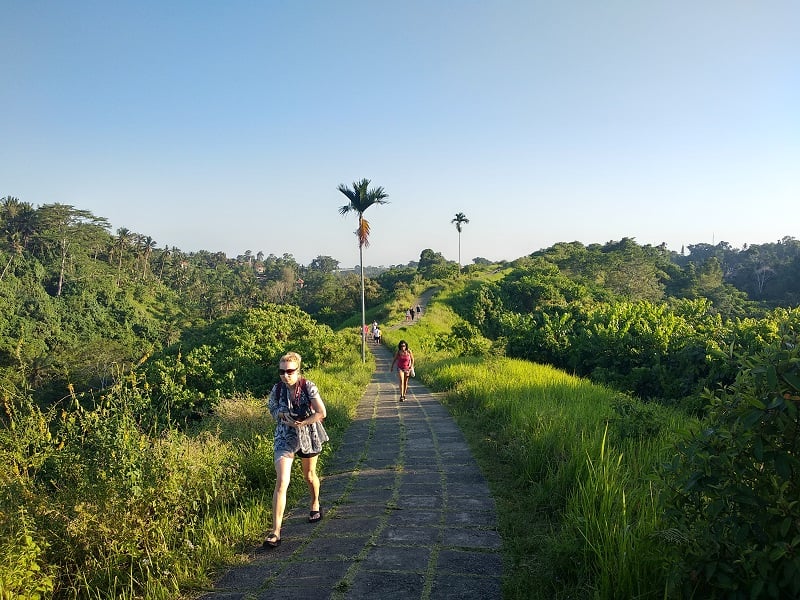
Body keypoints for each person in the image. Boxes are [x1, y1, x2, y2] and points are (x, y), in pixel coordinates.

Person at [264, 351, 329, 548]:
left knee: (309, 475)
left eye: (290, 371)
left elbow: (321, 412)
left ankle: (315, 502)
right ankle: (276, 531)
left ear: (298, 370)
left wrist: (303, 423)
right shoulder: (277, 389)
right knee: (282, 480)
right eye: (282, 371)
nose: (286, 375)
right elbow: (272, 409)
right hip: (285, 437)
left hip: (308, 434)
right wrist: (282, 416)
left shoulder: (308, 386)